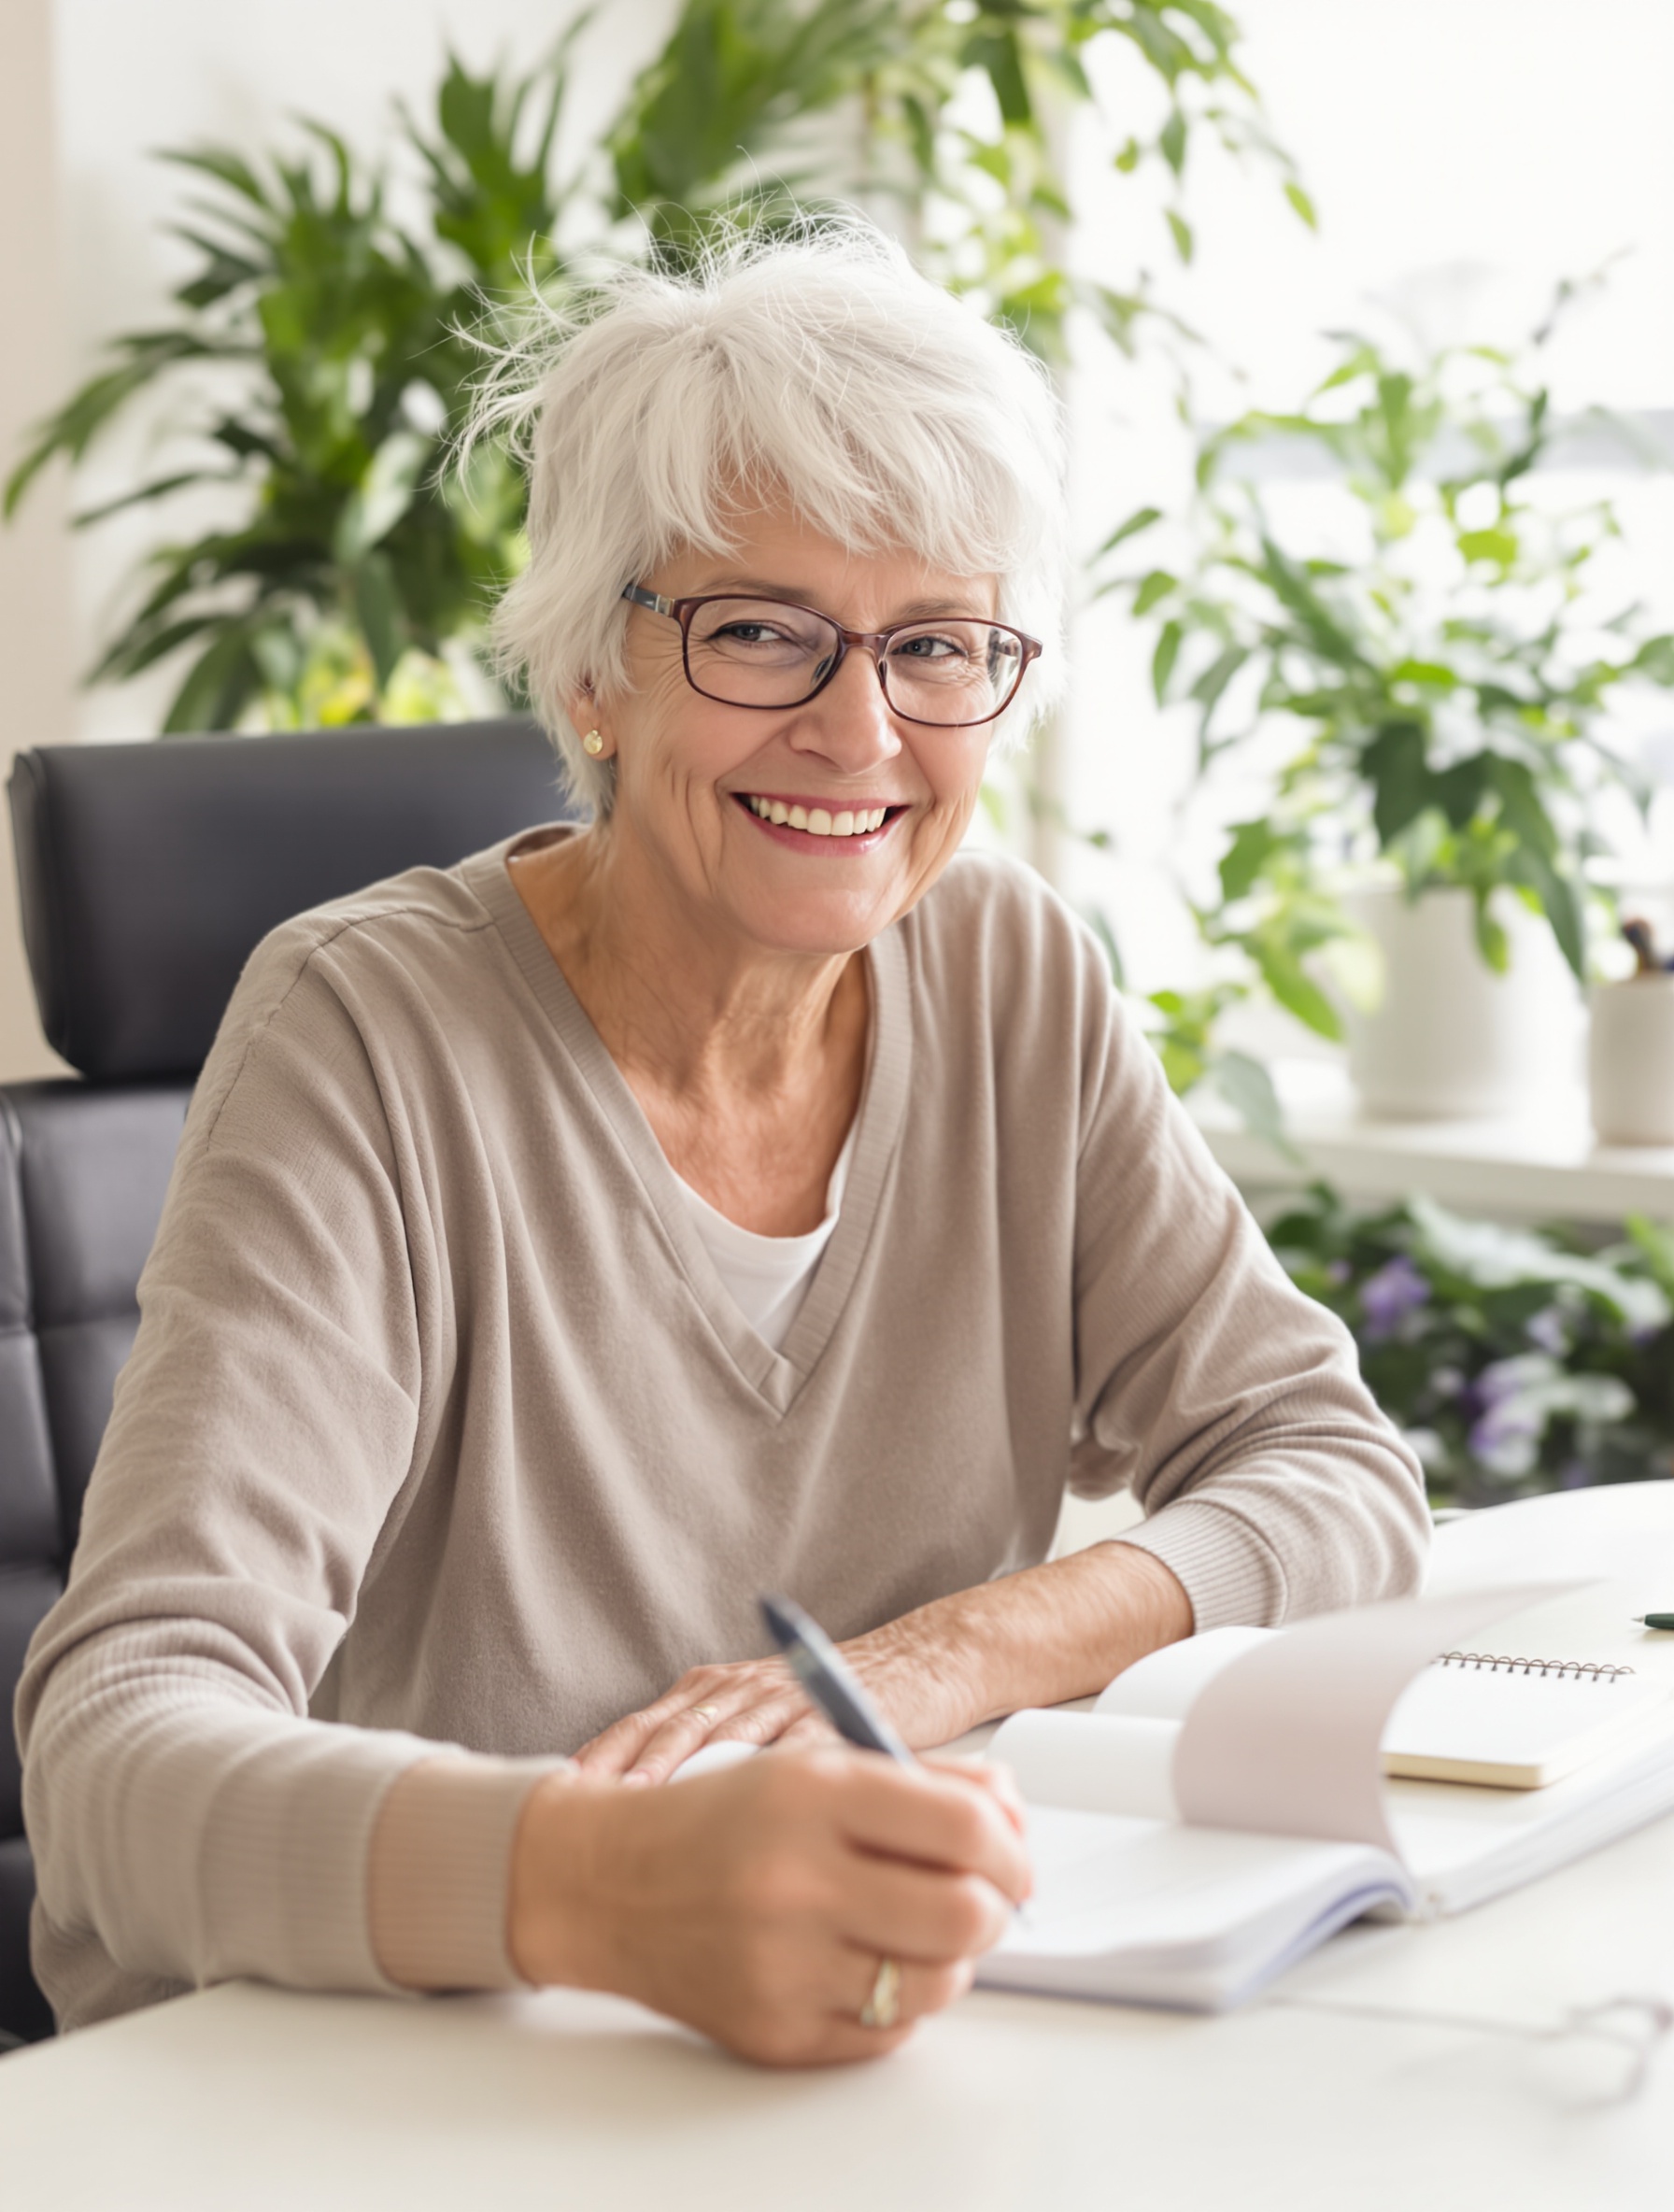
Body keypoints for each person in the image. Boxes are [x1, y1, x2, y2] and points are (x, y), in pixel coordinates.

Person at [18, 222, 1428, 2069]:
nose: (859, 729)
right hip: (393, 2079)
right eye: (759, 628)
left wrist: (942, 1658)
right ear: (596, 671)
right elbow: (123, 1739)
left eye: (936, 643)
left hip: (862, 2045)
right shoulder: (362, 1033)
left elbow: (1327, 1468)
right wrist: (595, 1878)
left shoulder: (1006, 972)